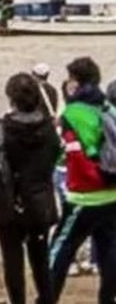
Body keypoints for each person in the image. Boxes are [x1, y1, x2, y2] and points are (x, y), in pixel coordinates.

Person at [0, 73, 60, 304]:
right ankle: (47, 300)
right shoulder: (49, 130)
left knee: (12, 258)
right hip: (40, 202)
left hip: (7, 202)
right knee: (40, 258)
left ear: (10, 99)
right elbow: (54, 158)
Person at [49, 56, 116, 302]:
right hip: (112, 192)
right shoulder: (109, 109)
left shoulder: (73, 113)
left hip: (84, 195)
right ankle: (107, 298)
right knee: (109, 249)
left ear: (75, 82)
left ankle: (47, 297)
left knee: (60, 249)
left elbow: (69, 152)